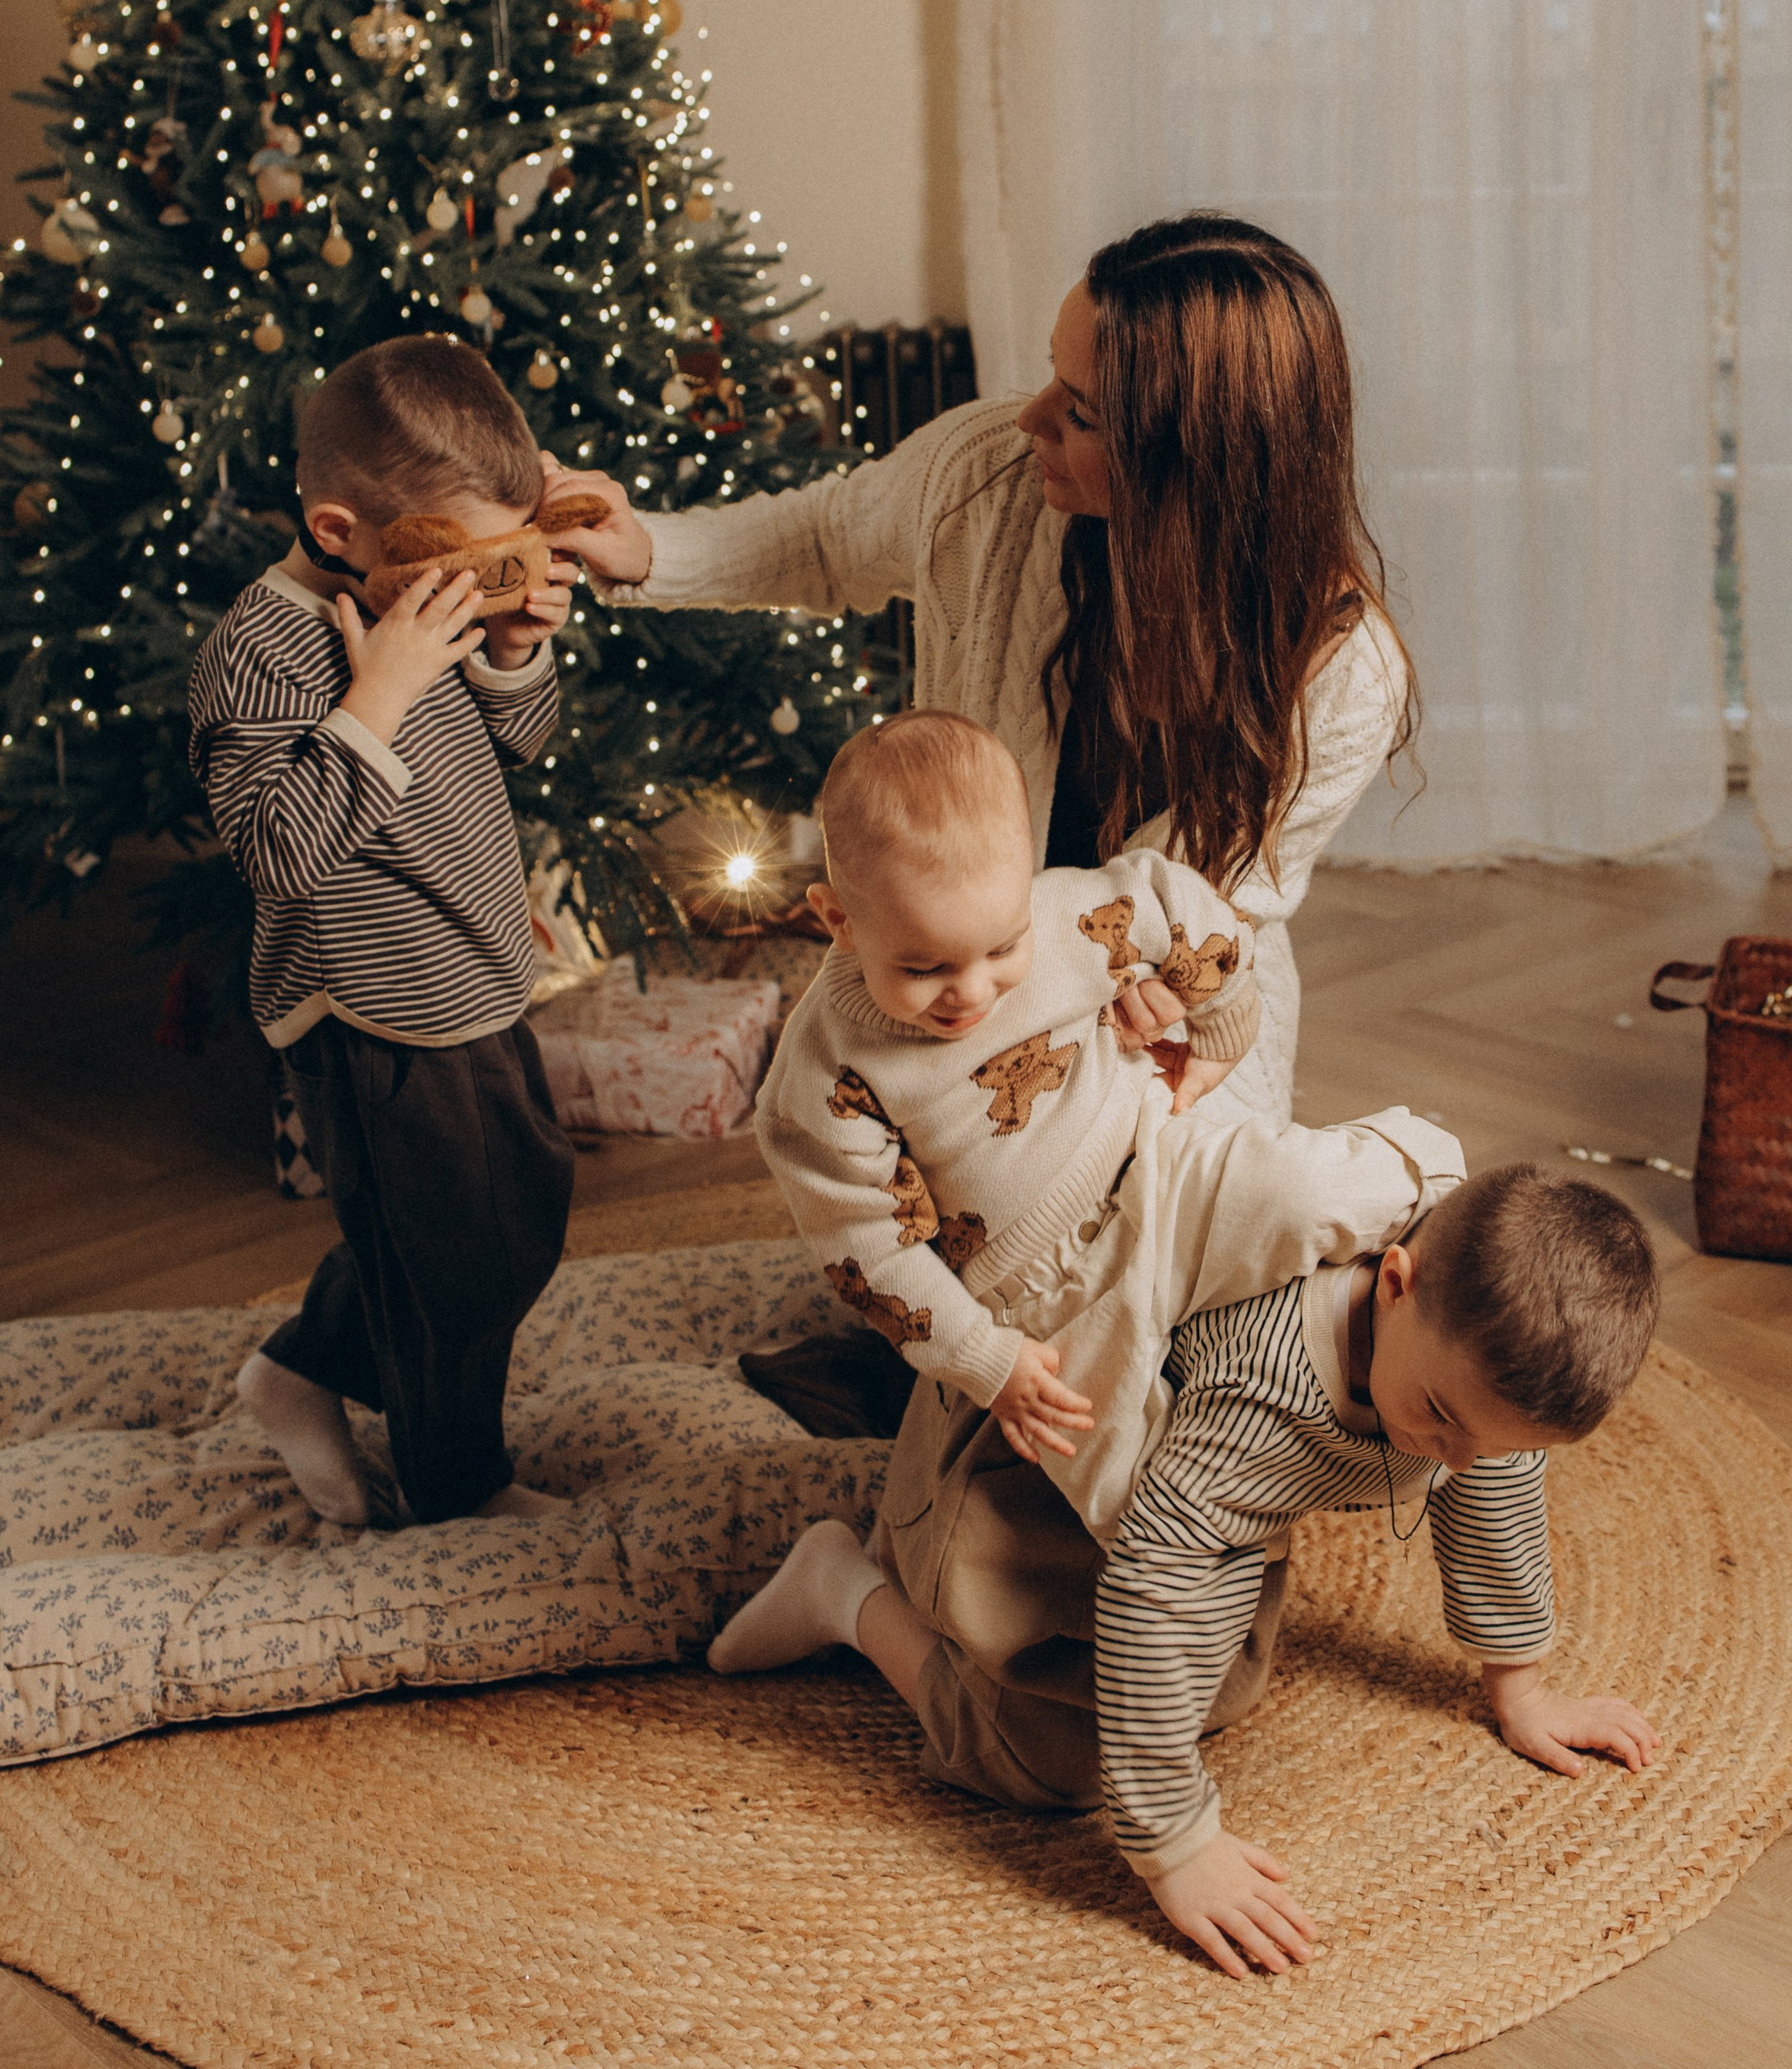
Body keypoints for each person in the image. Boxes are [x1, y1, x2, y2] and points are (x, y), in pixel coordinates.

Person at [544, 215, 1414, 1127]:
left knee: (1182, 1238)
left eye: (1079, 412)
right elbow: (824, 538)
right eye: (1052, 371)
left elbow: (1191, 914)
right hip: (957, 979)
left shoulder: (1346, 674)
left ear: (1190, 465)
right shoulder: (988, 473)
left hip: (1167, 1012)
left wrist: (1161, 977)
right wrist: (648, 549)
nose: (1030, 415)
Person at [708, 1163, 1664, 1980]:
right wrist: (1174, 1843)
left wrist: (1520, 1686)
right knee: (1048, 1761)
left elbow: (1492, 1484)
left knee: (1220, 1688)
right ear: (1395, 1283)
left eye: (1480, 1445)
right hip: (1025, 1470)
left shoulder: (1462, 1364)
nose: (1450, 1461)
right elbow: (1152, 1584)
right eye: (1440, 1420)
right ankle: (846, 1590)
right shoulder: (1262, 1388)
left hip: (1185, 1500)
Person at [751, 707, 1462, 1535]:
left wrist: (1221, 1027)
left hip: (1155, 1158)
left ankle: (1450, 1196)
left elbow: (1180, 905)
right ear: (837, 918)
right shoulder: (823, 1078)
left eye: (999, 949)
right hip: (1039, 1297)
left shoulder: (1065, 918)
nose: (972, 993)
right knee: (1136, 1502)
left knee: (1316, 1186)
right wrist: (987, 1361)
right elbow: (867, 1254)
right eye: (923, 967)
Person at [187, 336, 579, 1529]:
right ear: (341, 526)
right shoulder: (260, 650)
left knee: (517, 1213)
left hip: (474, 970)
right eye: (457, 561)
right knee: (457, 1266)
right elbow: (276, 847)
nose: (476, 584)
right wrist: (379, 694)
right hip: (370, 1008)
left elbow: (523, 743)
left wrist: (514, 653)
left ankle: (302, 1366)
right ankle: (459, 1485)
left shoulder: (414, 596)